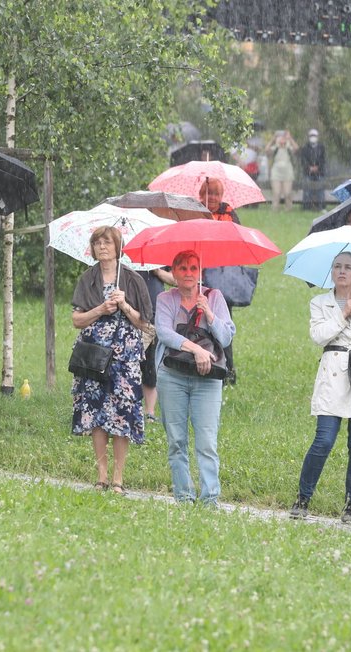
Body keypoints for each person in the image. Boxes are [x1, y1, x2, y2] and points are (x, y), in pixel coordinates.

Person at [290, 252, 351, 523]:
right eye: (337, 266)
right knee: (324, 439)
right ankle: (303, 497)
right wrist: (342, 314)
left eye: (348, 267)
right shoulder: (320, 303)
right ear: (331, 271)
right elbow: (318, 336)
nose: (342, 271)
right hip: (333, 374)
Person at [71, 226, 152, 495]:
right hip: (93, 354)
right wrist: (101, 309)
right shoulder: (87, 279)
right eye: (97, 243)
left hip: (124, 355)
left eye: (107, 242)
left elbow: (144, 323)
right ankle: (101, 476)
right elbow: (76, 320)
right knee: (96, 414)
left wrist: (125, 305)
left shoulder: (131, 279)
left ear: (118, 247)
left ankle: (118, 478)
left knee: (121, 414)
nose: (102, 247)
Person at [155, 250, 236, 506]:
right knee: (176, 440)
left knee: (206, 441)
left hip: (208, 380)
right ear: (174, 272)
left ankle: (210, 498)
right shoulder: (165, 299)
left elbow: (226, 338)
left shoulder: (214, 297)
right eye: (182, 268)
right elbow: (164, 334)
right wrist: (197, 349)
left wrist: (209, 315)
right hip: (172, 376)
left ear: (200, 271)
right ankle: (183, 495)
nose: (188, 273)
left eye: (193, 268)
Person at [199, 177, 240, 384]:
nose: (212, 197)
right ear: (200, 195)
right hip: (200, 277)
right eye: (208, 193)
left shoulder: (228, 213)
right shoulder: (194, 212)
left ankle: (228, 369)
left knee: (223, 324)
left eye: (216, 193)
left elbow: (237, 242)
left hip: (223, 278)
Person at [138, 267, 176, 421]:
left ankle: (150, 412)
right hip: (130, 314)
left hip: (155, 313)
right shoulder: (124, 251)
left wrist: (158, 271)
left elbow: (174, 280)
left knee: (151, 364)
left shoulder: (158, 253)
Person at [267, 130, 298, 211]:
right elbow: (267, 150)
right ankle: (275, 209)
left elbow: (296, 148)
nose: (282, 140)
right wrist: (273, 139)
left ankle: (288, 209)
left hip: (288, 172)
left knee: (287, 193)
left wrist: (290, 138)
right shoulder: (275, 148)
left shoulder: (288, 147)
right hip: (276, 172)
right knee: (276, 193)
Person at [300, 128, 326, 211]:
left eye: (314, 135)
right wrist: (309, 167)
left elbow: (323, 159)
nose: (313, 137)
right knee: (307, 190)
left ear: (317, 137)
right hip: (308, 172)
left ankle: (321, 207)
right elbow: (303, 160)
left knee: (320, 190)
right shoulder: (305, 148)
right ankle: (306, 207)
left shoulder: (322, 147)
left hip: (319, 172)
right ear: (308, 136)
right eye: (311, 135)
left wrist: (317, 167)